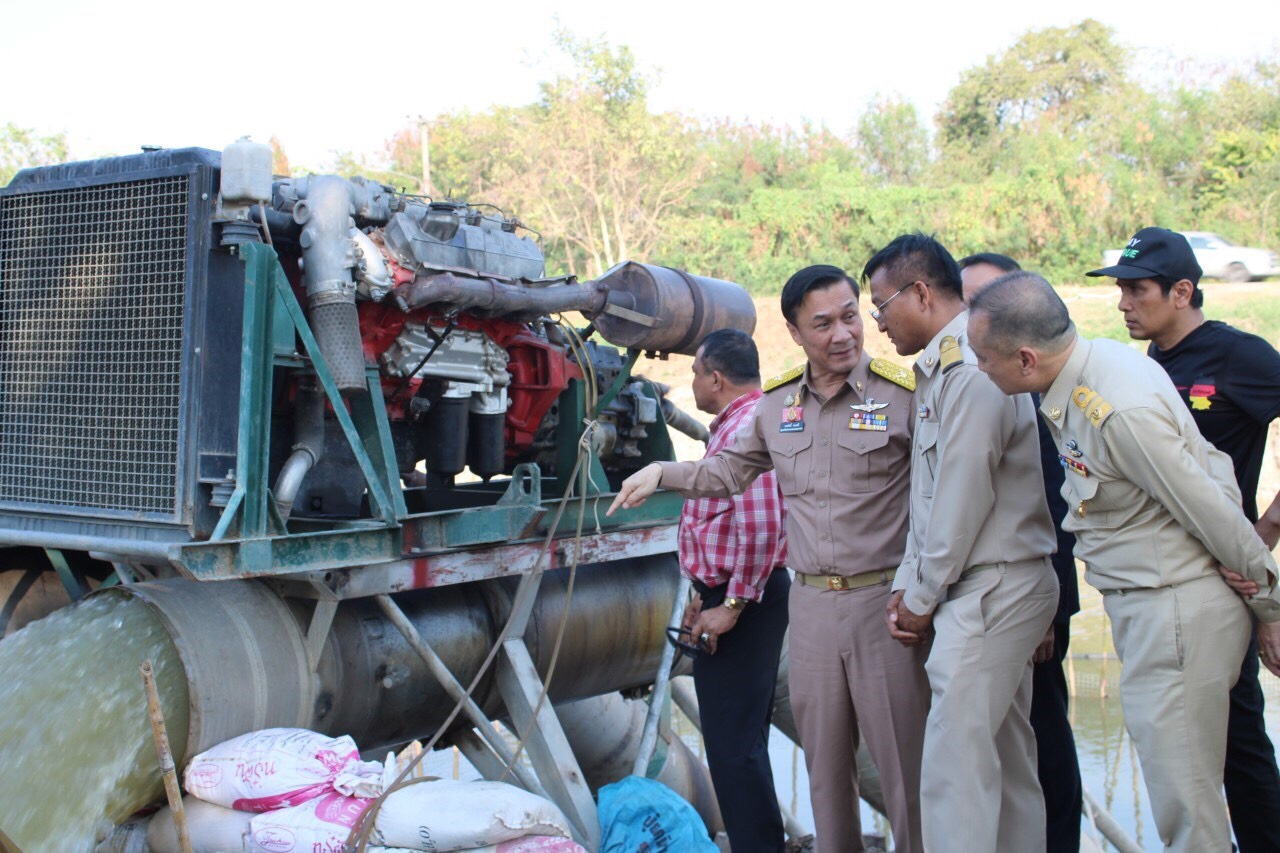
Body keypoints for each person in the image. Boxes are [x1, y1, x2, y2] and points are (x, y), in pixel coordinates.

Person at [610, 265, 931, 853]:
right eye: (824, 323)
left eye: (851, 316)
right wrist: (663, 472)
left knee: (901, 765)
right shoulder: (779, 404)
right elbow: (728, 471)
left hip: (883, 605)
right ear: (794, 332)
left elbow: (939, 499)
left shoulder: (903, 396)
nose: (843, 334)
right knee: (825, 767)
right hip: (808, 609)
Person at [966, 271, 1280, 853]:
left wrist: (1270, 607)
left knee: (1185, 806)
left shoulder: (1114, 407)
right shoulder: (1098, 364)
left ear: (1027, 359)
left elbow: (1210, 505)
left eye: (985, 359)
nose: (980, 369)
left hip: (1174, 612)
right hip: (1156, 606)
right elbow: (1205, 467)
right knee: (1189, 794)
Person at [1086, 226, 1280, 852]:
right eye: (1120, 289)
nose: (1123, 304)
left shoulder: (1238, 356)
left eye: (1136, 290)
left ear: (1182, 292)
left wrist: (1267, 529)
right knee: (1214, 747)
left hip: (1227, 574)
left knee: (1240, 746)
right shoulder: (1146, 367)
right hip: (1169, 581)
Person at [863, 234, 1059, 853]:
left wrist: (919, 596)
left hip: (990, 586)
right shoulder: (942, 367)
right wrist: (906, 583)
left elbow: (960, 499)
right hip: (983, 584)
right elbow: (929, 496)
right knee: (1002, 757)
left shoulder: (971, 368)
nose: (878, 323)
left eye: (880, 305)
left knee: (953, 768)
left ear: (920, 292)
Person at [959, 252, 1083, 853]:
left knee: (1045, 741)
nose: (976, 317)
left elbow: (1052, 506)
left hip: (1036, 599)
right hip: (985, 601)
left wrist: (1049, 614)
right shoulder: (976, 383)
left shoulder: (1043, 392)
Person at [676, 328, 791, 852]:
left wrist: (733, 605)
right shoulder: (737, 423)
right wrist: (704, 591)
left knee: (734, 744)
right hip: (725, 593)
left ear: (715, 378)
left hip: (745, 599)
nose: (692, 380)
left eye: (696, 371)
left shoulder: (749, 424)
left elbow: (764, 525)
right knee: (733, 741)